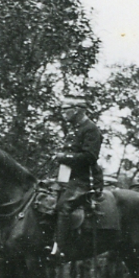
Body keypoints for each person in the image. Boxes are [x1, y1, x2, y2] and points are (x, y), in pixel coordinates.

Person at [52, 94, 103, 259]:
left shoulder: (91, 129)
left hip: (81, 181)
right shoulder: (74, 129)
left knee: (64, 207)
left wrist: (63, 157)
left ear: (76, 110)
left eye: (65, 109)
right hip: (65, 178)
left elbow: (90, 156)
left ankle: (60, 248)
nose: (62, 113)